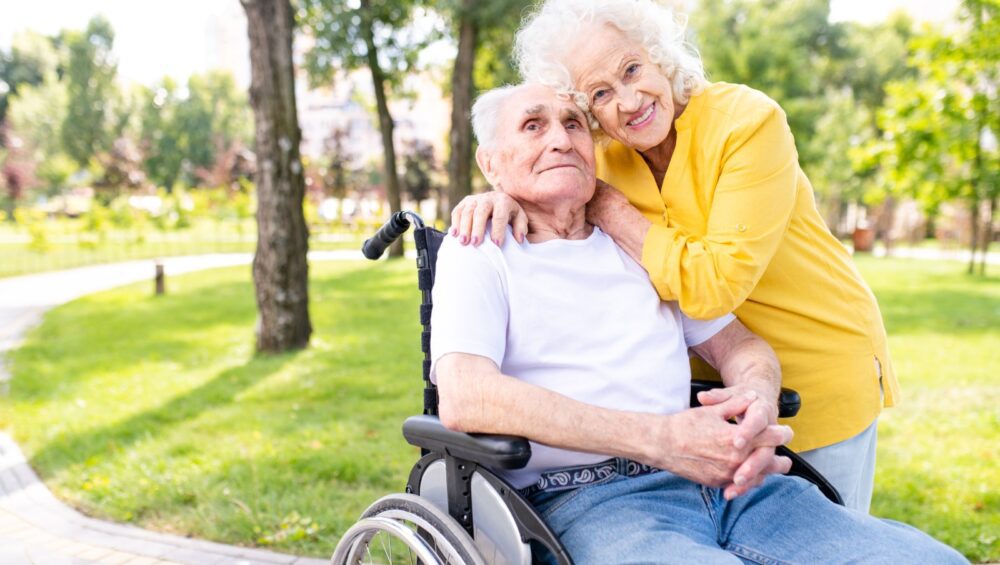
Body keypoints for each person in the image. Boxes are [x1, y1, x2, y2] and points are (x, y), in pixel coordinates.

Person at [432, 82, 964, 564]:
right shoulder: (480, 250)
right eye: (533, 126)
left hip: (729, 483)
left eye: (574, 124)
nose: (561, 140)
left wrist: (756, 400)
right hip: (587, 499)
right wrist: (658, 439)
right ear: (491, 163)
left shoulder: (636, 243)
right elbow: (467, 396)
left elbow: (742, 347)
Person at [450, 0, 894, 512]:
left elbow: (710, 289)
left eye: (633, 69)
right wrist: (503, 195)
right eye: (599, 94)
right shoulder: (608, 154)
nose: (629, 99)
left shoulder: (746, 123)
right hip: (698, 407)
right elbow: (543, 170)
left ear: (661, 56)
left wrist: (607, 205)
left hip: (816, 364)